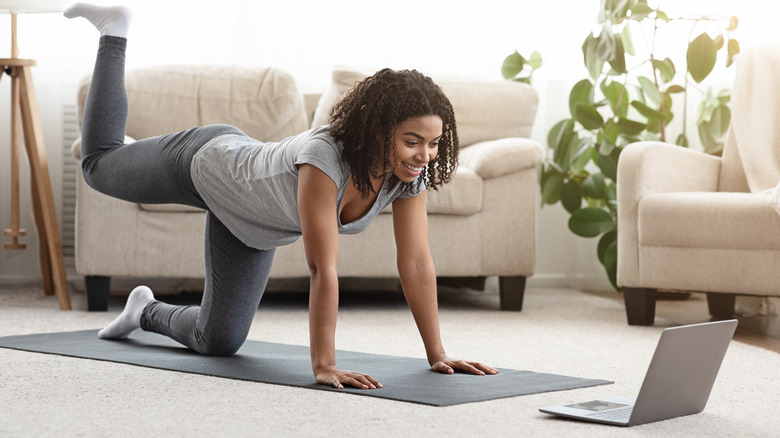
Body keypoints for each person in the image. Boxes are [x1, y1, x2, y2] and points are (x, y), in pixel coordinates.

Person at [64, 3, 498, 390]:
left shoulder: (406, 175)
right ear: (381, 131)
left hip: (249, 224)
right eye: (412, 141)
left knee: (218, 342)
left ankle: (143, 310)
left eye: (435, 143)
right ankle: (113, 31)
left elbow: (417, 261)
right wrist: (324, 364)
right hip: (207, 163)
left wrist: (437, 353)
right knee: (98, 167)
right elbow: (321, 266)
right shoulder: (324, 158)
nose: (425, 155)